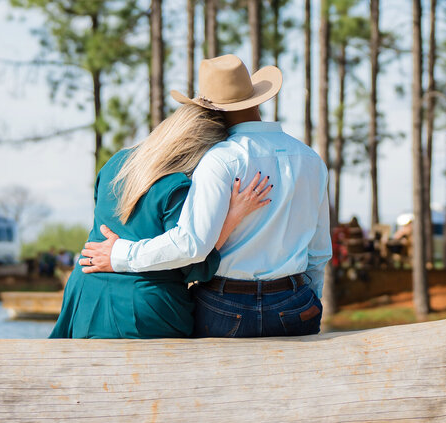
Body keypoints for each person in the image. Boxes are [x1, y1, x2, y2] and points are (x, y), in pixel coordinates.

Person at [79, 55, 331, 338]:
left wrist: (121, 255)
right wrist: (310, 297)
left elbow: (191, 244)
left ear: (211, 110)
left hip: (227, 304)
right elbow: (319, 252)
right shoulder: (311, 159)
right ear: (256, 100)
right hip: (295, 302)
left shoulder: (221, 160)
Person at [51, 103, 271, 340]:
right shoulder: (176, 188)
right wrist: (234, 216)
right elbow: (190, 261)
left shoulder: (115, 163)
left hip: (85, 290)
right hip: (143, 305)